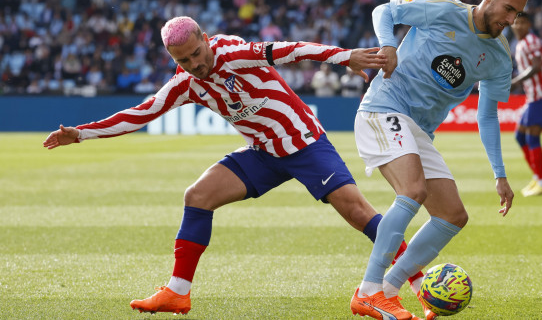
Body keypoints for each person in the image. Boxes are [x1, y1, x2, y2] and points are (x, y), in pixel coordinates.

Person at [42, 16, 419, 315]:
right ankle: (177, 293)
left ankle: (418, 284)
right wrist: (83, 133)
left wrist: (344, 57)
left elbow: (290, 50)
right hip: (263, 152)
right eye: (183, 61)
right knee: (198, 195)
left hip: (303, 142)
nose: (195, 64)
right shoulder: (185, 83)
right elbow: (142, 114)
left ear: (205, 38)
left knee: (356, 210)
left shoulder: (235, 52)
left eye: (196, 54)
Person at [348, 0, 532, 319]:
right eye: (508, 9)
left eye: (517, 14)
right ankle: (369, 290)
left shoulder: (498, 59)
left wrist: (500, 174)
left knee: (452, 216)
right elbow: (383, 11)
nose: (510, 20)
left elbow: (488, 116)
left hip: (418, 131)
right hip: (383, 107)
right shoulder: (444, 9)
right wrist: (388, 45)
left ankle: (390, 289)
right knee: (413, 190)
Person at [510, 12, 542, 197]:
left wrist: (516, 82)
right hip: (533, 97)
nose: (518, 26)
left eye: (522, 22)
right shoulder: (521, 44)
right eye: (516, 22)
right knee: (520, 137)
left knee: (532, 138)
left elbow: (537, 66)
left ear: (529, 24)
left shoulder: (531, 40)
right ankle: (537, 177)